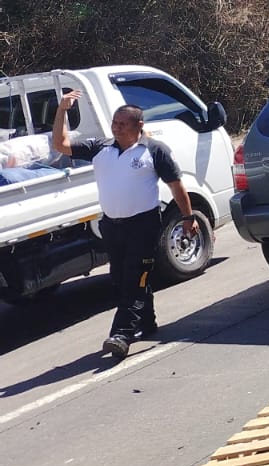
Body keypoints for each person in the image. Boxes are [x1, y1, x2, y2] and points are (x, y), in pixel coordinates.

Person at [51, 92, 198, 360]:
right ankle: (147, 321)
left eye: (122, 123)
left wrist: (188, 218)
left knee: (134, 279)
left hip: (143, 226)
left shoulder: (154, 150)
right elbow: (60, 144)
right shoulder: (101, 148)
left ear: (138, 125)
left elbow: (177, 187)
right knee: (120, 278)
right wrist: (62, 110)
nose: (116, 127)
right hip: (113, 226)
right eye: (114, 122)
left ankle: (121, 335)